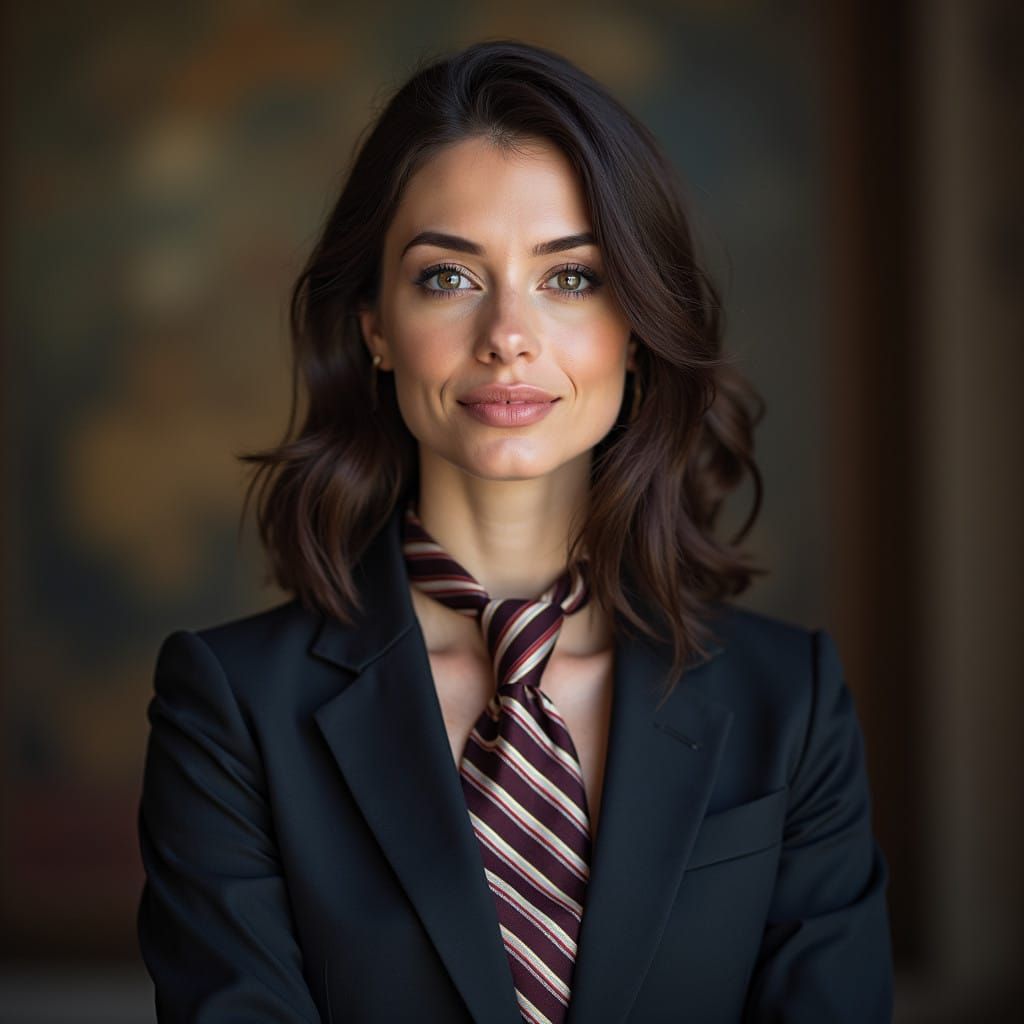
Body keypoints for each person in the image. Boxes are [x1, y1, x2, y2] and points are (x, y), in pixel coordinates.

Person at [136, 38, 893, 1023]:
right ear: (373, 324)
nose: (507, 336)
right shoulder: (231, 709)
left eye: (569, 277)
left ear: (637, 327)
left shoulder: (791, 704)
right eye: (448, 278)